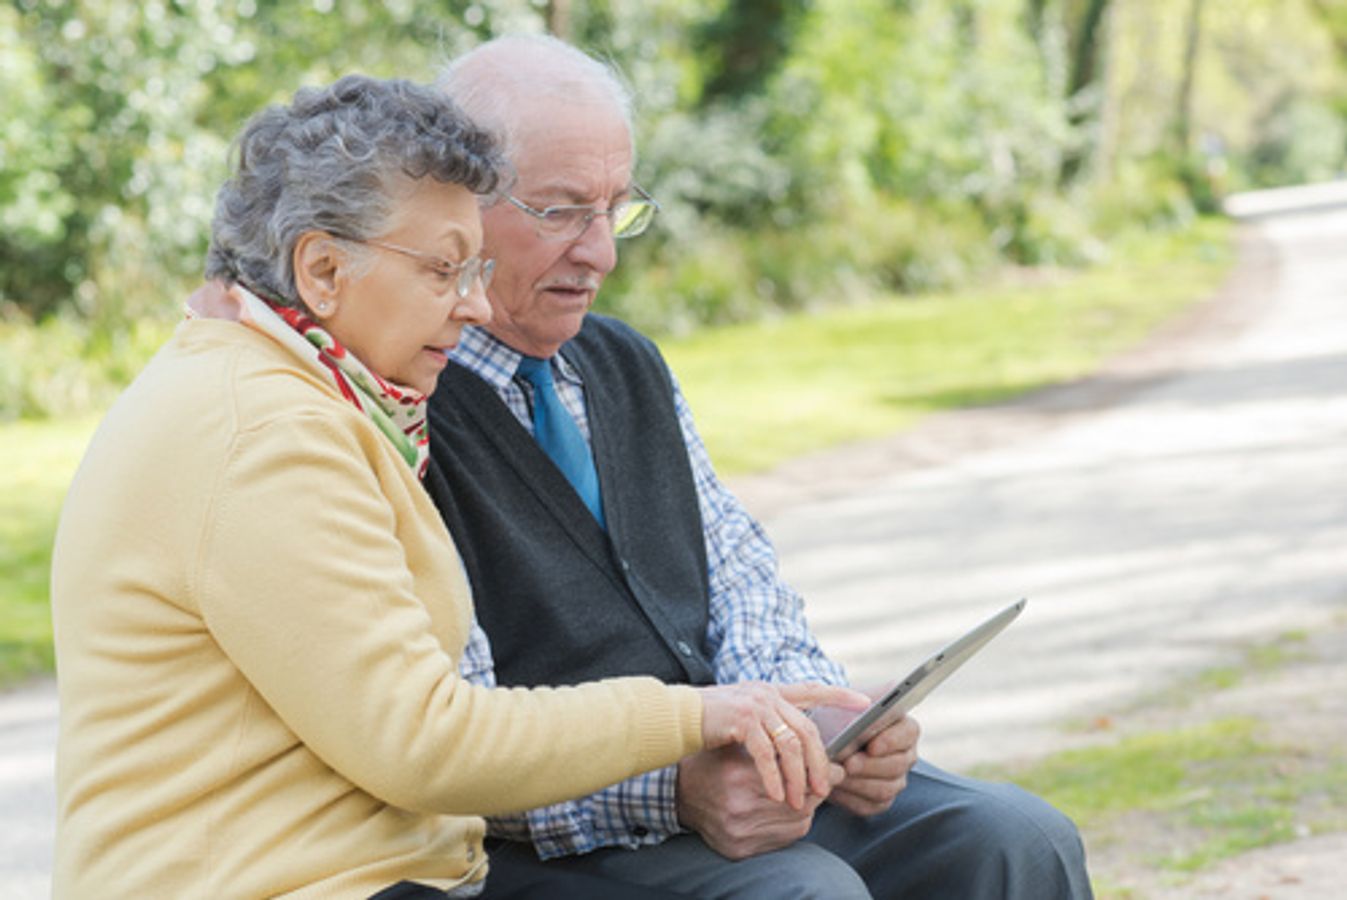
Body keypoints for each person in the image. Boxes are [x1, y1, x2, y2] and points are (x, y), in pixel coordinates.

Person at [49, 74, 861, 900]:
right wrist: (696, 716)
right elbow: (424, 741)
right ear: (323, 269)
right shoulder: (265, 435)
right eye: (444, 270)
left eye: (476, 268)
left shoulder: (306, 394)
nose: (474, 306)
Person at [423, 34, 1095, 900]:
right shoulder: (404, 404)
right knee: (807, 894)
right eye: (560, 211)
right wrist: (674, 790)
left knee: (1015, 840)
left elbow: (740, 576)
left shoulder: (624, 364)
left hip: (735, 775)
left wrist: (817, 724)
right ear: (456, 209)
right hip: (554, 836)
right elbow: (447, 732)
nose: (601, 253)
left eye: (616, 209)